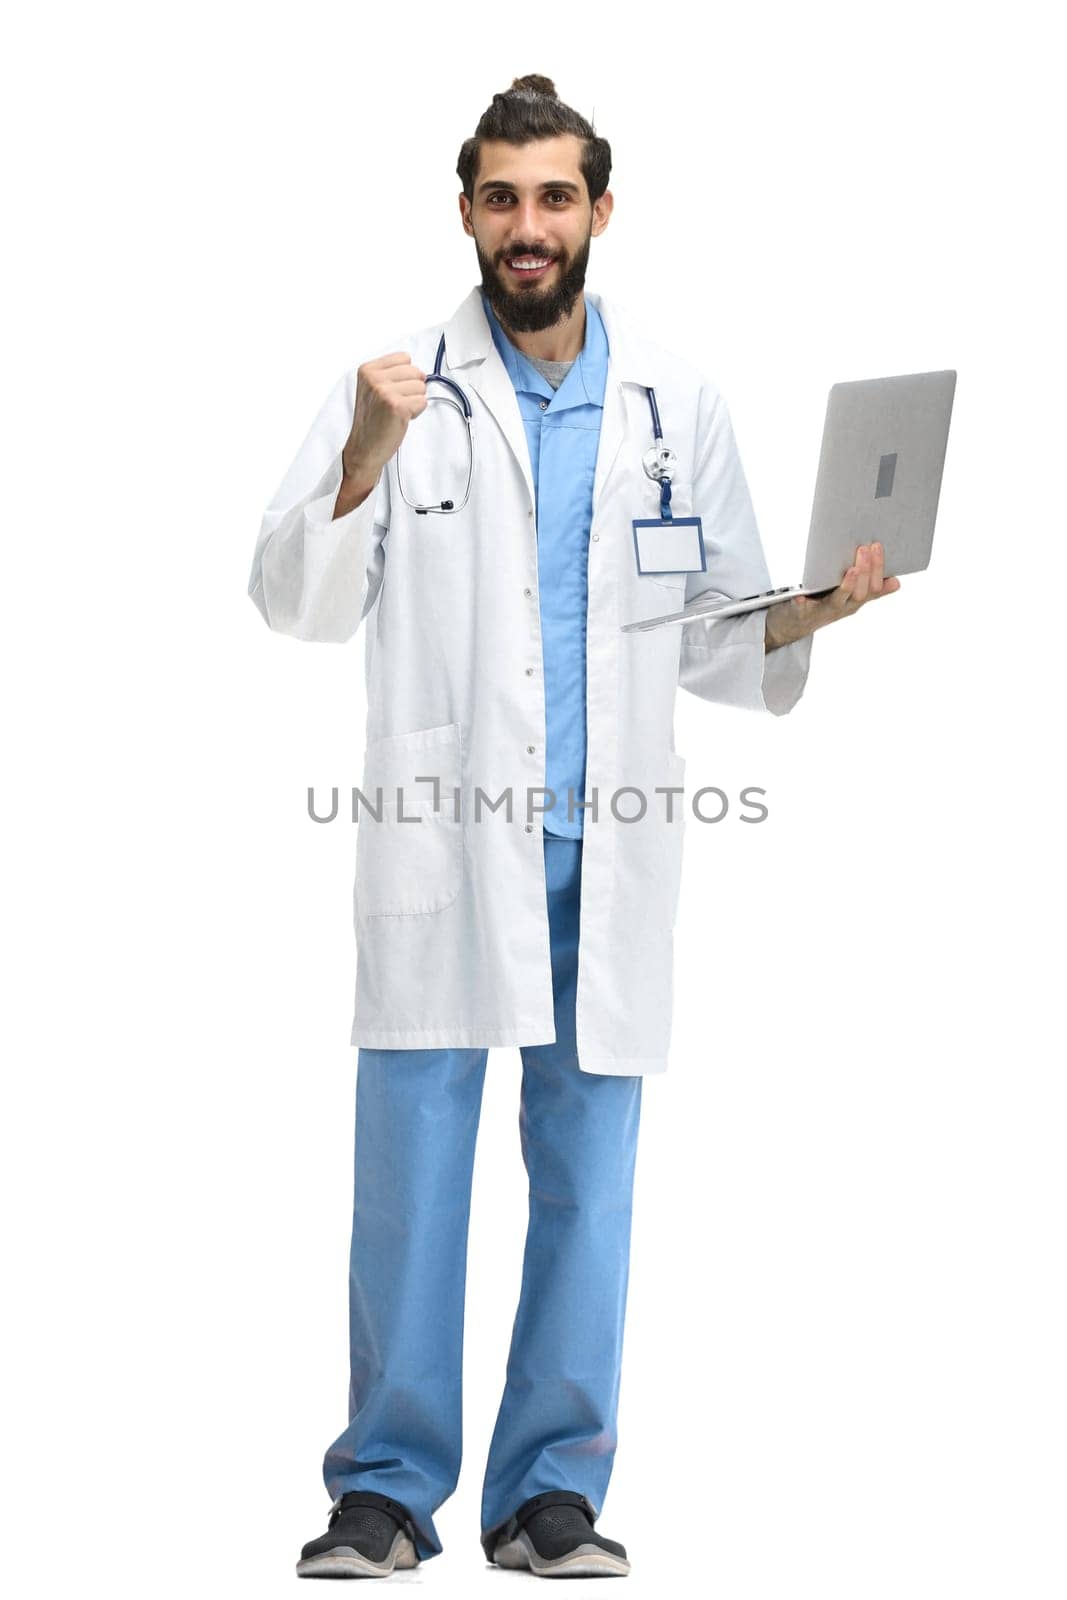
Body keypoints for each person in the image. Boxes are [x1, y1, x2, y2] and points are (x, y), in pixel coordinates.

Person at [248, 73, 898, 1581]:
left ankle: (551, 1492)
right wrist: (360, 450)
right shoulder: (399, 385)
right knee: (410, 1173)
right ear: (467, 212)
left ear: (601, 209)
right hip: (441, 838)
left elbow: (718, 629)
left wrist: (827, 606)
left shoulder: (678, 400)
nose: (526, 227)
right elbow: (294, 602)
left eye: (553, 197)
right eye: (500, 198)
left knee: (589, 1184)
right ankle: (387, 1491)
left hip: (604, 857)